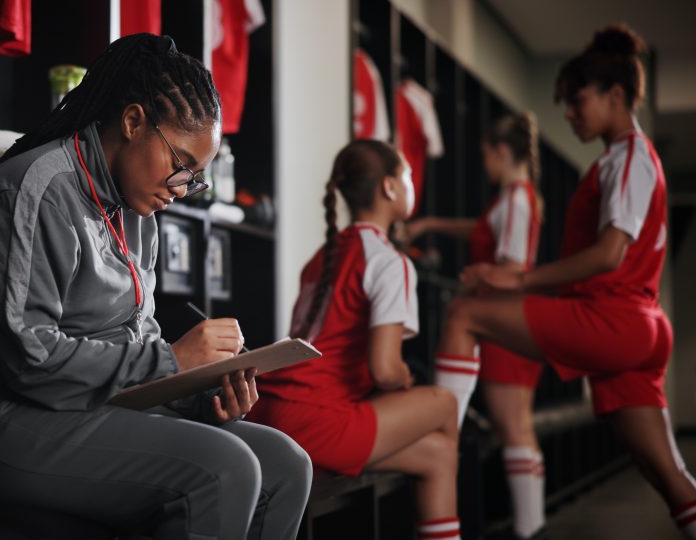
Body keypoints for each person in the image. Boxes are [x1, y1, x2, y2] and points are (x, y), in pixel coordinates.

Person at [0, 33, 312, 540]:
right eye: (181, 165)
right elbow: (28, 362)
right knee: (223, 469)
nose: (181, 188)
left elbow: (133, 350)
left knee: (286, 465)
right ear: (133, 121)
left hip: (73, 409)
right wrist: (173, 360)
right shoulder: (32, 190)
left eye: (195, 178)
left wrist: (205, 394)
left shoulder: (138, 212)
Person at [434, 24, 696, 540]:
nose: (570, 114)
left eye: (578, 102)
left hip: (614, 317)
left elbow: (608, 253)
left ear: (615, 95)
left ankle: (440, 437)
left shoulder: (629, 155)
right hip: (637, 324)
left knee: (464, 312)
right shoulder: (620, 158)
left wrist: (520, 279)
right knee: (666, 476)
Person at [246, 140, 464, 540]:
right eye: (408, 175)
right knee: (444, 402)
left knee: (439, 455)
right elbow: (385, 368)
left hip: (269, 412)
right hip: (317, 420)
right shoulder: (388, 260)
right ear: (389, 188)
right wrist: (403, 383)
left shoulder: (324, 255)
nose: (412, 182)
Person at [406, 113, 547, 538]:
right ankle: (532, 525)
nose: (485, 166)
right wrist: (432, 224)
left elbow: (512, 268)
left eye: (487, 156)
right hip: (504, 322)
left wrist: (478, 276)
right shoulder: (509, 199)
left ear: (503, 153)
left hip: (503, 322)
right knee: (516, 425)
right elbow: (484, 230)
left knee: (513, 426)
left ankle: (531, 528)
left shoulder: (518, 198)